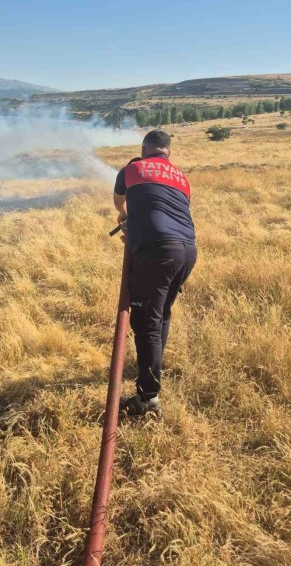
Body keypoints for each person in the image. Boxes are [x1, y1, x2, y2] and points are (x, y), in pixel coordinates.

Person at [113, 129, 198, 417]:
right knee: (162, 315)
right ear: (168, 152)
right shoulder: (181, 177)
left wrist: (127, 218)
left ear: (144, 149)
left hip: (157, 251)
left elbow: (119, 202)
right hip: (187, 251)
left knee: (146, 322)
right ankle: (151, 373)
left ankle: (148, 397)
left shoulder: (132, 168)